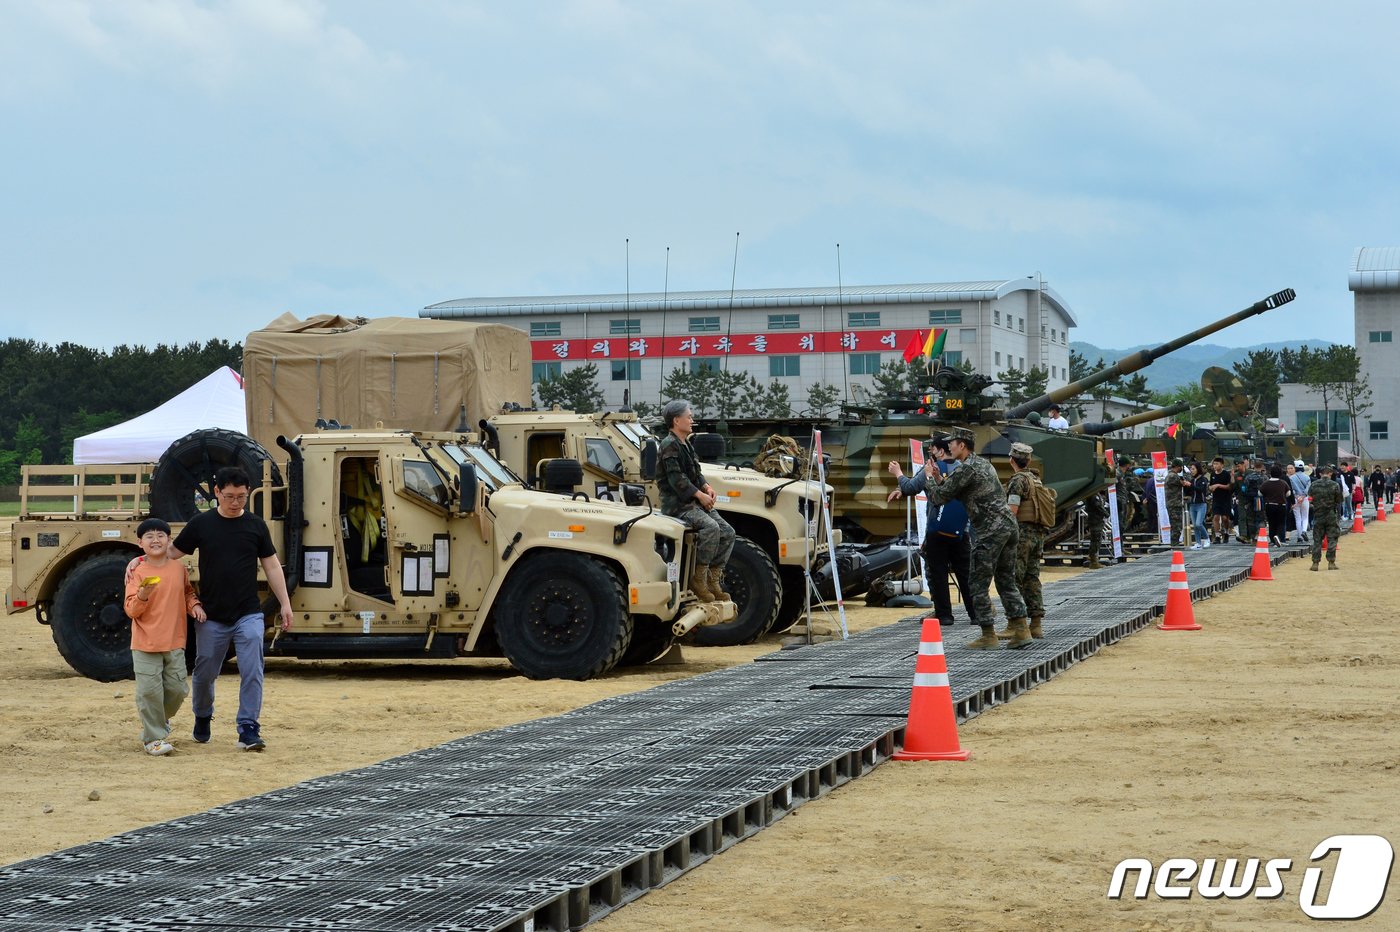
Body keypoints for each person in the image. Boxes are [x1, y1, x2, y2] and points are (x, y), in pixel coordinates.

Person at [169, 466, 294, 752]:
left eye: (241, 496)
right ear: (216, 493)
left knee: (253, 670)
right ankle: (202, 715)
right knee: (204, 673)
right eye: (229, 496)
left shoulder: (255, 525)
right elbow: (172, 553)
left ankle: (248, 727)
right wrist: (140, 562)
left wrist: (285, 604)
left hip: (248, 612)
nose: (235, 502)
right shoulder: (201, 524)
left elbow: (272, 565)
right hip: (211, 614)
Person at [922, 427, 1029, 650]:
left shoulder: (966, 468)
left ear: (962, 445)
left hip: (991, 531)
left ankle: (988, 634)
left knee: (977, 583)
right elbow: (953, 490)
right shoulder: (980, 464)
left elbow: (939, 497)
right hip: (1008, 527)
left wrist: (928, 479)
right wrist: (937, 477)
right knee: (1006, 580)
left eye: (952, 443)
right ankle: (1021, 628)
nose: (948, 446)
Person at [124, 517, 204, 756]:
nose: (156, 539)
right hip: (145, 643)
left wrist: (195, 606)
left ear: (169, 540)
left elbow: (188, 593)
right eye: (149, 536)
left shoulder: (179, 569)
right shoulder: (136, 572)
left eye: (161, 535)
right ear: (140, 543)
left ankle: (158, 722)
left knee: (178, 689)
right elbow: (131, 610)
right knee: (149, 691)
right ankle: (153, 739)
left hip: (175, 641)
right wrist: (143, 595)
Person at [887, 438, 976, 629]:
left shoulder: (932, 468)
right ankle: (975, 613)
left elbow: (910, 487)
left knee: (938, 573)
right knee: (965, 574)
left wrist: (898, 474)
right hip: (962, 531)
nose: (930, 453)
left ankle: (944, 615)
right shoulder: (965, 468)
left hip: (937, 530)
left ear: (941, 451)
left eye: (933, 449)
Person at [657, 399, 736, 603]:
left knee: (728, 532)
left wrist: (707, 487)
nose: (692, 419)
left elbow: (696, 473)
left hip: (694, 502)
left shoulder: (686, 444)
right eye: (688, 416)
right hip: (677, 505)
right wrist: (700, 495)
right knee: (711, 528)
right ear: (676, 420)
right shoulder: (669, 445)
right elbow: (677, 480)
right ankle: (698, 578)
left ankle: (712, 579)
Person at [1002, 441, 1048, 642]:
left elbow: (1013, 510)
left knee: (1014, 579)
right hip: (1038, 535)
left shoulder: (1018, 481)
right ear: (1028, 460)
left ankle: (1015, 623)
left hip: (1021, 535)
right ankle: (1036, 624)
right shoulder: (1035, 479)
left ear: (1012, 459)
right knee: (1032, 578)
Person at [1309, 464, 1343, 570]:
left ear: (1320, 474)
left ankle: (1315, 563)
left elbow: (1310, 498)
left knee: (1317, 539)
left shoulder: (1314, 484)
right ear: (1330, 473)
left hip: (1318, 515)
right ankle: (1331, 562)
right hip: (1331, 515)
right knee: (1332, 538)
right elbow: (1339, 500)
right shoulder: (1335, 485)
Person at [1260, 464, 1291, 547]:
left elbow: (1260, 493)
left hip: (1269, 505)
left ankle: (1272, 539)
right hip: (1281, 505)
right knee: (1281, 523)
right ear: (1280, 473)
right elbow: (1288, 494)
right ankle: (1280, 538)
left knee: (1272, 523)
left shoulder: (1266, 483)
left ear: (1270, 473)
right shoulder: (1283, 483)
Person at [1208, 457, 1234, 544]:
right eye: (1214, 464)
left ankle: (1226, 532)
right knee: (1215, 517)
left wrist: (1218, 485)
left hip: (1226, 499)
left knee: (1225, 518)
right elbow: (1211, 486)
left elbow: (1229, 486)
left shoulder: (1226, 474)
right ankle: (1217, 536)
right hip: (1216, 499)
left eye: (1217, 464)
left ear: (1222, 465)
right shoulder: (1212, 475)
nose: (1215, 466)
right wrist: (1211, 488)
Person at [1164, 458, 1189, 546]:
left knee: (1176, 525)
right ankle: (1174, 543)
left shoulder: (1171, 475)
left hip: (1174, 504)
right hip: (1174, 505)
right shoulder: (1173, 476)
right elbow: (1184, 483)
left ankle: (1175, 542)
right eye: (1181, 467)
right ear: (1178, 467)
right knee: (1176, 525)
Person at [1187, 461, 1211, 550]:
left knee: (1199, 524)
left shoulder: (1203, 480)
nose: (1191, 471)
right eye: (1191, 469)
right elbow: (1189, 492)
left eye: (1193, 469)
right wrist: (1185, 485)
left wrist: (1191, 485)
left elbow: (1201, 490)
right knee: (1195, 525)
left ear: (1198, 469)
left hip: (1201, 504)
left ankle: (1207, 539)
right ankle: (1198, 543)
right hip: (1192, 505)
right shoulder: (1192, 480)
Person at [1083, 490, 1109, 568]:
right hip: (1095, 520)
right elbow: (1098, 506)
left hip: (1096, 519)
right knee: (1096, 540)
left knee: (1096, 540)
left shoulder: (1094, 494)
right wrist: (1106, 513)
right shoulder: (1093, 495)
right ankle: (1093, 561)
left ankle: (1093, 558)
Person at [1287, 461, 1311, 543]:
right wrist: (1303, 496)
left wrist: (1297, 497)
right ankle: (1304, 531)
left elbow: (1291, 489)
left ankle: (1299, 536)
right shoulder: (1307, 477)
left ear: (1295, 468)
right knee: (1305, 516)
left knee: (1298, 517)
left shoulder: (1291, 478)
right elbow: (1308, 489)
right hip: (1304, 499)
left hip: (1295, 499)